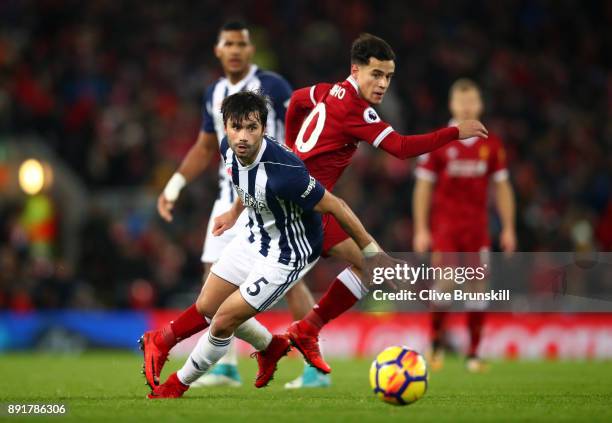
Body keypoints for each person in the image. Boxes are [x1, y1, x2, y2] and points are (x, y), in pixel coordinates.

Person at [270, 33, 489, 374]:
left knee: (370, 268)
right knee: (246, 295)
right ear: (355, 70)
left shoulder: (328, 91)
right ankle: (302, 330)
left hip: (308, 201)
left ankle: (306, 329)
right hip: (305, 207)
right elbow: (400, 148)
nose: (383, 83)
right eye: (376, 74)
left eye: (388, 76)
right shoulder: (356, 111)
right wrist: (455, 133)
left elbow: (298, 100)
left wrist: (291, 147)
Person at [144, 91, 384, 399]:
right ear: (226, 127)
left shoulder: (286, 172)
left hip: (288, 253)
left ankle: (177, 384)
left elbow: (336, 206)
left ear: (264, 129)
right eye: (236, 127)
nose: (242, 136)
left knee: (223, 320)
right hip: (254, 235)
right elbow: (246, 185)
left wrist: (371, 252)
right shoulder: (227, 149)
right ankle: (271, 348)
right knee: (207, 305)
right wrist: (233, 214)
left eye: (252, 128)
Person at [156, 21, 324, 388]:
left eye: (241, 44)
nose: (234, 49)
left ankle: (314, 361)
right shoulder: (214, 92)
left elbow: (303, 124)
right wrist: (175, 183)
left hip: (272, 192)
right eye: (228, 43)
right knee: (212, 280)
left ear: (250, 50)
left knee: (290, 279)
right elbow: (204, 146)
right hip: (231, 194)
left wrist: (296, 169)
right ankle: (227, 364)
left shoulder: (273, 86)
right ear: (218, 50)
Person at [412, 78, 517, 372]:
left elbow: (503, 187)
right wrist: (421, 229)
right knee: (445, 282)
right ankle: (435, 343)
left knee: (477, 288)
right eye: (462, 101)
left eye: (472, 101)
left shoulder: (491, 144)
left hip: (477, 229)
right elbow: (423, 187)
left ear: (480, 105)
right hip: (446, 226)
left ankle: (473, 353)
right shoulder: (439, 141)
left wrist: (508, 227)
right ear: (452, 105)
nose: (468, 107)